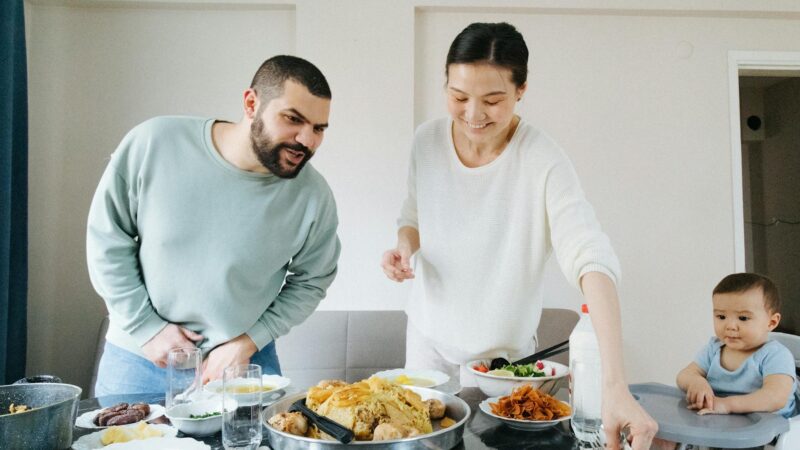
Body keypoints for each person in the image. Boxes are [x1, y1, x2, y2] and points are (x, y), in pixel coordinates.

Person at [380, 22, 656, 449]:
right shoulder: (427, 142)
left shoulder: (542, 159)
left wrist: (614, 384)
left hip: (508, 362)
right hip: (428, 345)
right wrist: (404, 245)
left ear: (521, 90)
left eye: (492, 100)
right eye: (458, 97)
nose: (473, 115)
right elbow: (413, 213)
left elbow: (591, 258)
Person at [87, 55, 341, 395]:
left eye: (319, 128)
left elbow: (312, 281)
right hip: (138, 362)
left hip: (244, 365)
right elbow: (108, 239)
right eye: (293, 119)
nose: (307, 140)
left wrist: (249, 341)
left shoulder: (314, 195)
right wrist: (146, 328)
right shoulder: (154, 142)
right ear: (252, 103)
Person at [676, 273, 798, 418]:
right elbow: (684, 375)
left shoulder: (775, 355)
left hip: (771, 429)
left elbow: (775, 398)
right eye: (721, 317)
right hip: (726, 421)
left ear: (771, 322)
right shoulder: (714, 349)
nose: (730, 326)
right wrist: (696, 382)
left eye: (743, 318)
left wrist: (728, 405)